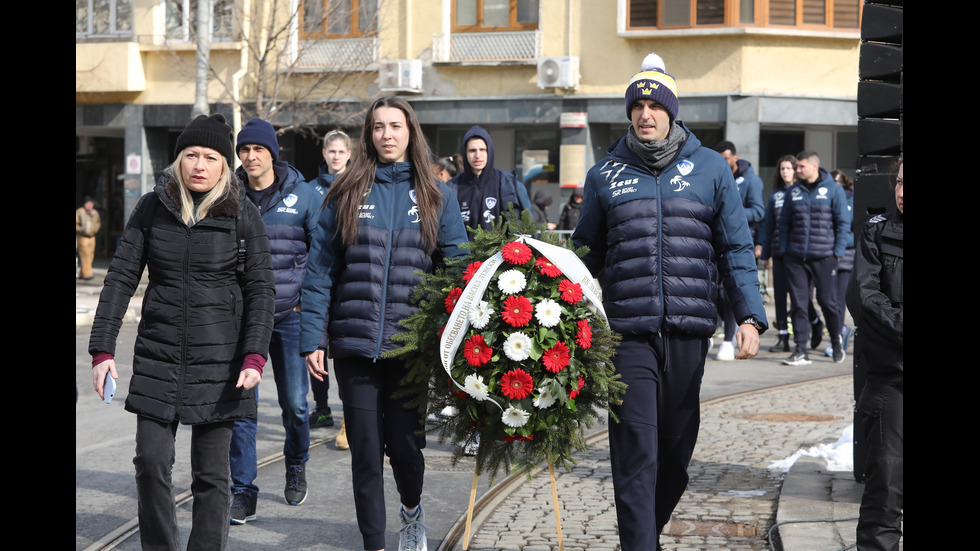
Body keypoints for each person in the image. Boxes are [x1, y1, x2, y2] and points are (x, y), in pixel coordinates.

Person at [571, 53, 767, 551]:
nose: (645, 113)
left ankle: (645, 535)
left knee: (676, 453)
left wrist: (748, 315)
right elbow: (584, 253)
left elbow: (735, 246)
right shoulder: (605, 174)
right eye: (637, 105)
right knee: (635, 448)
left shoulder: (708, 170)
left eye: (655, 104)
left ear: (672, 111)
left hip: (687, 329)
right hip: (627, 333)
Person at [88, 113, 275, 551]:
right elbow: (120, 277)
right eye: (191, 154)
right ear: (178, 160)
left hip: (221, 361)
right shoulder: (153, 207)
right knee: (150, 464)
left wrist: (254, 355)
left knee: (212, 476)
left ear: (224, 166)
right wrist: (102, 350)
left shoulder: (241, 214)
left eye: (211, 157)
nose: (199, 165)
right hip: (160, 356)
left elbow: (261, 290)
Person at [300, 96, 468, 551]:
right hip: (354, 345)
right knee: (366, 454)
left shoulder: (437, 196)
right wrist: (313, 335)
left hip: (410, 347)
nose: (386, 134)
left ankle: (412, 512)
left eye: (395, 126)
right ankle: (374, 542)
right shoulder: (346, 193)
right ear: (368, 135)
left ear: (410, 132)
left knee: (407, 449)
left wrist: (465, 340)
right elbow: (320, 270)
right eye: (378, 127)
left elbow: (459, 271)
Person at [228, 118, 323, 524]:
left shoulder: (304, 197)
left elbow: (322, 259)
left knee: (295, 407)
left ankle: (296, 462)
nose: (250, 157)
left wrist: (315, 315)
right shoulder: (227, 195)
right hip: (242, 317)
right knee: (241, 406)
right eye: (244, 150)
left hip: (289, 316)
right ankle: (243, 490)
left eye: (258, 150)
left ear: (272, 153)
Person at [848, 157, 902, 551]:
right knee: (884, 489)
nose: (902, 191)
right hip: (891, 380)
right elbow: (866, 297)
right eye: (900, 182)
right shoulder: (877, 235)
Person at [777, 150, 851, 365]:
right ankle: (801, 349)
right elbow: (784, 224)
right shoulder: (794, 192)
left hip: (825, 257)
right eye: (796, 167)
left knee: (828, 302)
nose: (797, 170)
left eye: (800, 166)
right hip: (795, 257)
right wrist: (784, 249)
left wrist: (837, 252)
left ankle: (836, 341)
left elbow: (843, 224)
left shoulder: (834, 190)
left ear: (813, 166)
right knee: (799, 304)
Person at [307, 129, 353, 447]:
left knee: (348, 350)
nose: (336, 156)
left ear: (349, 154)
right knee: (315, 346)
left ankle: (350, 416)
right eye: (331, 151)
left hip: (348, 278)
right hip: (319, 273)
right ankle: (322, 407)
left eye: (341, 152)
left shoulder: (359, 186)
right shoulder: (311, 190)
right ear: (324, 154)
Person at [756, 155, 822, 353]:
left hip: (797, 254)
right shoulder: (775, 195)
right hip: (778, 252)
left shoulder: (801, 193)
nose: (785, 172)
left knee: (799, 297)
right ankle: (783, 337)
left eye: (789, 168)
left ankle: (815, 321)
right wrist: (765, 254)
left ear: (797, 171)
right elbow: (768, 227)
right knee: (780, 296)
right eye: (782, 168)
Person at [712, 140, 765, 360]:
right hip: (715, 244)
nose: (723, 162)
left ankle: (728, 339)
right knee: (714, 291)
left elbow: (759, 212)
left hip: (740, 243)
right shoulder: (715, 175)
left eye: (726, 158)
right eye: (720, 158)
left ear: (735, 158)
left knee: (729, 293)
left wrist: (731, 211)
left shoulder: (751, 180)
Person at [447, 125, 532, 238]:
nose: (478, 155)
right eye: (472, 150)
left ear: (489, 151)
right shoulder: (452, 187)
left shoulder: (509, 184)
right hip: (463, 255)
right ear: (465, 153)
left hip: (501, 255)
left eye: (482, 149)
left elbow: (528, 227)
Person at [824, 169, 855, 357]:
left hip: (845, 258)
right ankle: (841, 330)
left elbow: (854, 230)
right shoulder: (825, 199)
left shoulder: (851, 200)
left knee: (838, 300)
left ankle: (837, 336)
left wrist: (839, 242)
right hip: (827, 256)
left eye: (838, 183)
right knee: (828, 300)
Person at [76, 195, 102, 280]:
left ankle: (82, 273)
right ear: (85, 204)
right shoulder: (80, 212)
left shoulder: (94, 212)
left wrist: (96, 229)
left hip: (92, 236)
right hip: (82, 237)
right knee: (85, 255)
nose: (90, 206)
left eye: (91, 204)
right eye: (88, 204)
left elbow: (98, 222)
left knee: (91, 255)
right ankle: (87, 274)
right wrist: (80, 229)